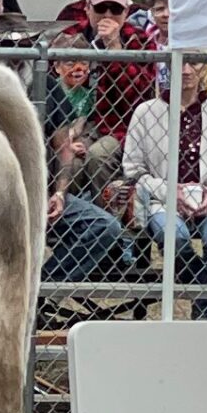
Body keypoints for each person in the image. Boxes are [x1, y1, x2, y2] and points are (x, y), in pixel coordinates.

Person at [124, 60, 207, 318]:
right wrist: (170, 191)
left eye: (195, 63)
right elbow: (133, 169)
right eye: (181, 63)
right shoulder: (146, 112)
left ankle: (203, 314)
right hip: (163, 200)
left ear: (204, 68)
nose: (187, 70)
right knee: (174, 236)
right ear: (168, 66)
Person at [40, 34, 132, 285]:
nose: (77, 68)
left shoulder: (48, 87)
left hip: (43, 195)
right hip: (4, 197)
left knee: (105, 227)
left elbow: (66, 142)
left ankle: (42, 290)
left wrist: (58, 193)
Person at [78, 0, 160, 198]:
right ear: (87, 8)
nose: (107, 15)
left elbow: (137, 95)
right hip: (81, 122)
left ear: (126, 12)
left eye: (115, 9)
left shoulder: (141, 42)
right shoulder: (73, 39)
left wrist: (114, 48)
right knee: (69, 160)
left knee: (98, 156)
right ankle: (69, 225)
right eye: (101, 7)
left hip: (123, 126)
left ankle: (105, 225)